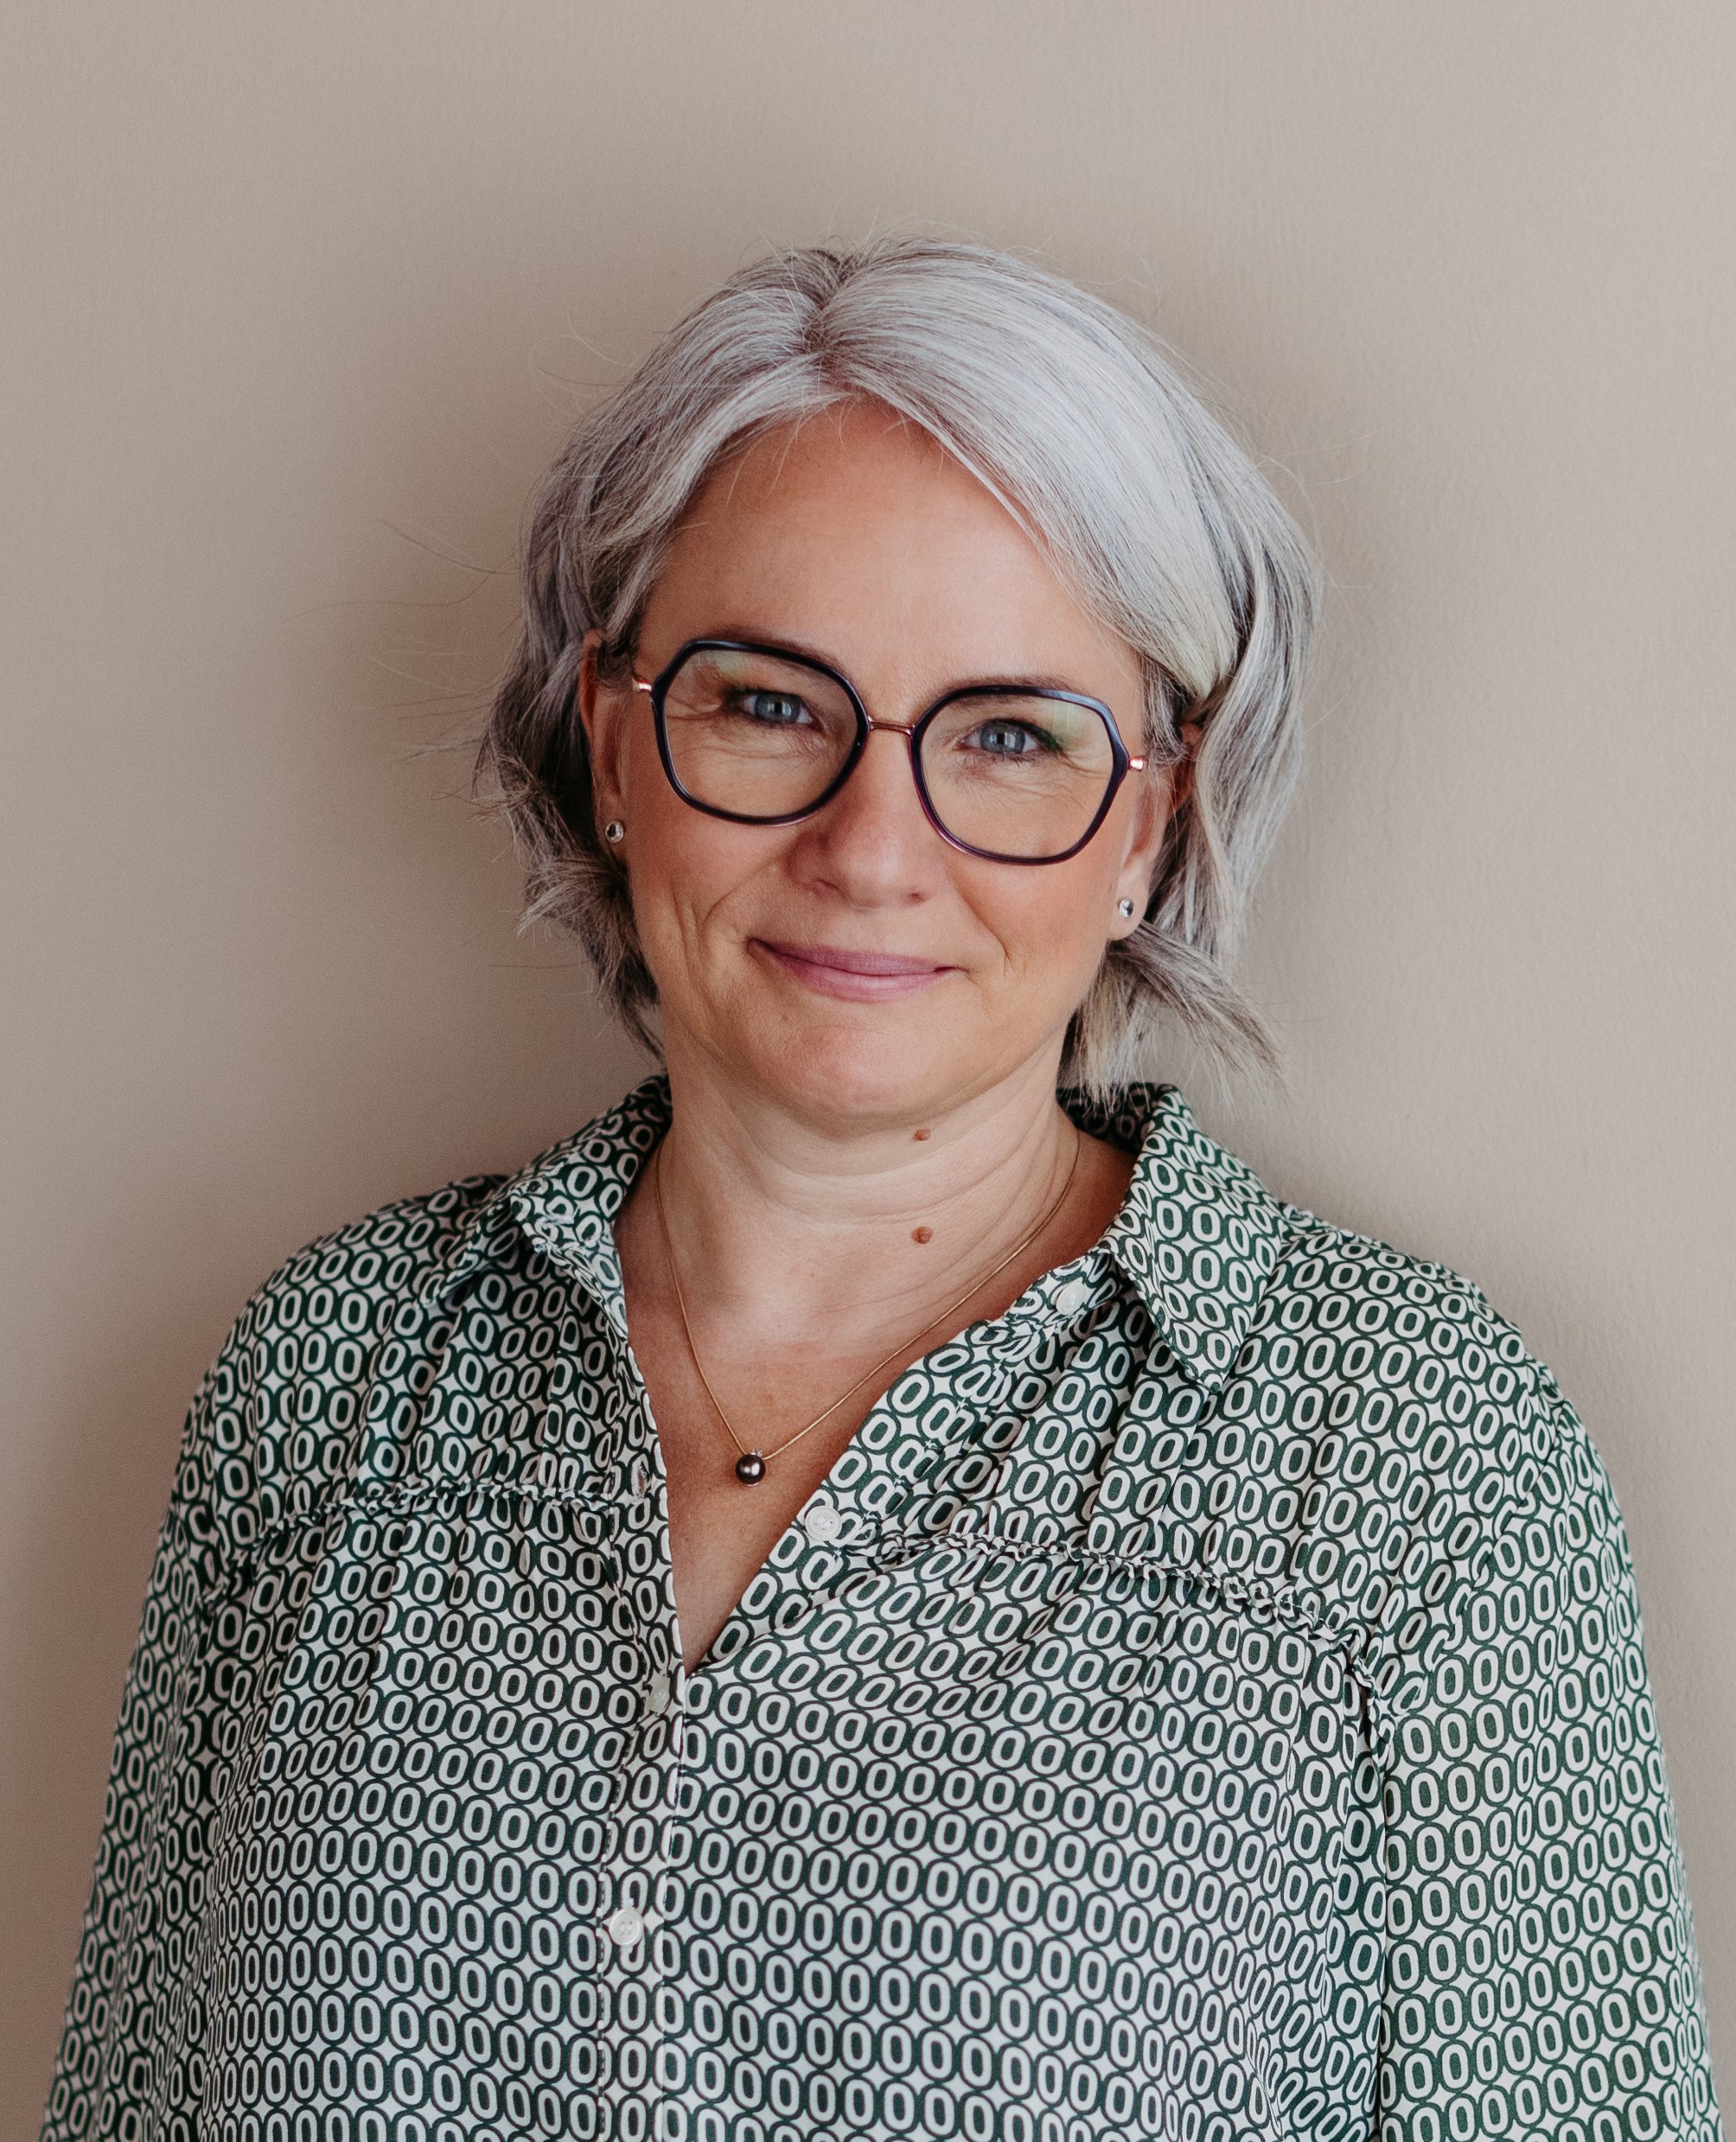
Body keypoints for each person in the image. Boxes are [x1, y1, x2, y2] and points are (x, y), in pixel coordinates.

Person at [43, 240, 1720, 2142]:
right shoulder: (329, 1383)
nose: (870, 848)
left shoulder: (1415, 1464)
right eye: (770, 703)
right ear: (614, 741)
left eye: (1009, 737)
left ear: (1149, 818)